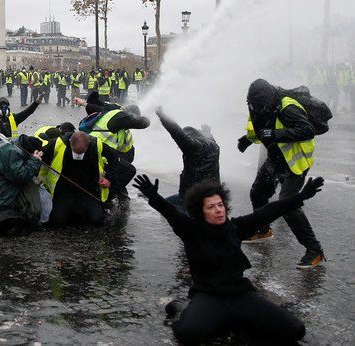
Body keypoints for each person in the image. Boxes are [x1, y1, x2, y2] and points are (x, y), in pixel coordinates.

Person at [133, 174, 322, 345]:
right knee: (187, 334)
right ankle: (181, 307)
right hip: (209, 297)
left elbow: (269, 211)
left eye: (220, 205)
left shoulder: (236, 227)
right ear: (201, 211)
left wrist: (302, 196)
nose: (218, 210)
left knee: (296, 330)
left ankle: (236, 319)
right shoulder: (190, 230)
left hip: (241, 295)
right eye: (211, 207)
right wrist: (154, 196)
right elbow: (171, 213)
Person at [238, 78, 325, 268]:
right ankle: (263, 230)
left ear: (268, 100)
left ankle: (314, 250)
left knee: (288, 204)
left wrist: (275, 135)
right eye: (253, 105)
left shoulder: (287, 107)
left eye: (260, 106)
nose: (256, 109)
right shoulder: (258, 106)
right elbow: (259, 128)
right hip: (276, 158)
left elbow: (307, 130)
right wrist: (247, 139)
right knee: (258, 193)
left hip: (296, 161)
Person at [41, 131, 130, 227]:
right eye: (75, 152)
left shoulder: (97, 144)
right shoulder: (58, 143)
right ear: (70, 143)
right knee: (57, 221)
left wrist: (109, 178)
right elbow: (41, 157)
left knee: (96, 220)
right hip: (64, 190)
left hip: (89, 189)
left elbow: (114, 159)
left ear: (88, 144)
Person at [156, 107, 220, 207]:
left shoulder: (193, 148)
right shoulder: (214, 147)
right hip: (213, 193)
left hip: (193, 196)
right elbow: (211, 141)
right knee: (163, 204)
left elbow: (175, 131)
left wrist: (162, 116)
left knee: (164, 208)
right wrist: (208, 134)